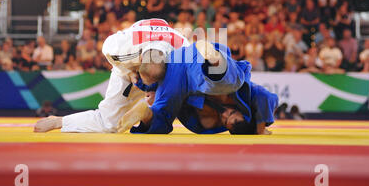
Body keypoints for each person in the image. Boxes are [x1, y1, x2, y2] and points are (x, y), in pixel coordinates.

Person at [34, 18, 189, 133]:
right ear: (140, 58)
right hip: (129, 65)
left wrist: (161, 91)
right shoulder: (122, 44)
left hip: (165, 71)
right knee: (109, 124)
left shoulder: (183, 51)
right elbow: (107, 50)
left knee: (164, 117)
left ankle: (149, 110)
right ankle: (59, 122)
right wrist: (129, 72)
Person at [117, 40, 278, 135]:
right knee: (230, 81)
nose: (226, 113)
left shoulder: (209, 123)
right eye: (233, 113)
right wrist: (260, 127)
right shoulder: (250, 98)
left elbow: (173, 99)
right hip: (198, 61)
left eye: (226, 120)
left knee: (163, 113)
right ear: (244, 114)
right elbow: (268, 98)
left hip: (176, 69)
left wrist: (137, 80)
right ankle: (214, 60)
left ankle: (146, 113)